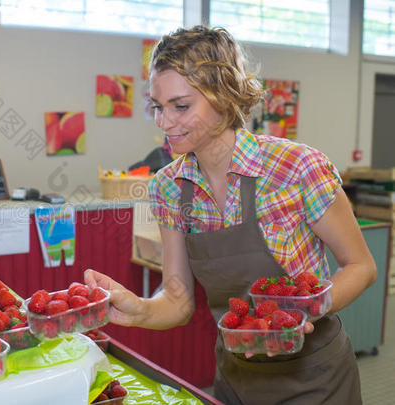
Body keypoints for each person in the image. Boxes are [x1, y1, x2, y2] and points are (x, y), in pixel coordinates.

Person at [85, 25, 377, 405]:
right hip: (236, 377)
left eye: (181, 106)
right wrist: (139, 309)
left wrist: (307, 308)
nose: (163, 121)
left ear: (224, 97)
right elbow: (178, 300)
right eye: (158, 106)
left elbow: (361, 266)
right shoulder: (169, 188)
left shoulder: (297, 167)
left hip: (316, 378)